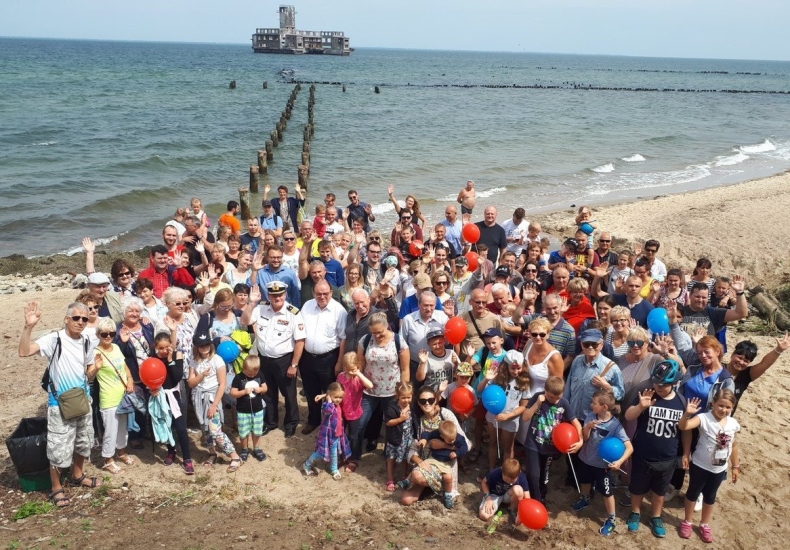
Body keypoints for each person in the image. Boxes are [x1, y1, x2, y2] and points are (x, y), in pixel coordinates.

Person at [19, 301, 103, 508]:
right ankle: (56, 487)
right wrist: (28, 327)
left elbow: (88, 370)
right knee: (58, 448)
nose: (81, 322)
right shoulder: (54, 339)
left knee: (83, 442)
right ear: (67, 319)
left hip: (82, 400)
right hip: (59, 403)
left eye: (84, 318)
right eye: (76, 318)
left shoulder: (86, 341)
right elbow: (24, 352)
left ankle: (77, 475)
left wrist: (94, 370)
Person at [623, 360, 687, 538]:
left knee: (660, 491)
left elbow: (685, 431)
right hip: (643, 453)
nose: (659, 387)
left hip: (667, 457)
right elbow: (628, 415)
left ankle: (656, 516)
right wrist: (640, 406)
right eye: (656, 382)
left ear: (674, 383)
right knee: (637, 488)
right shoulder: (647, 395)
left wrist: (686, 453)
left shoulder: (681, 402)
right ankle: (635, 512)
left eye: (664, 384)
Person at [241, 281, 306, 437]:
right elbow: (244, 321)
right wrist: (251, 303)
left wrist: (294, 365)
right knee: (268, 393)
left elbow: (300, 341)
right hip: (264, 359)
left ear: (285, 295)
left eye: (280, 294)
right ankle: (271, 422)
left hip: (284, 360)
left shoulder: (293, 313)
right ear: (268, 295)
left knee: (289, 394)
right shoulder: (260, 308)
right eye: (273, 295)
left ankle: (291, 423)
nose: (277, 298)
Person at [678, 389, 740, 543]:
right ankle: (687, 521)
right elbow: (684, 427)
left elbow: (734, 445)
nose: (724, 410)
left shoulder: (733, 423)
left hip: (719, 468)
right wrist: (687, 414)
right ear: (713, 403)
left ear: (732, 408)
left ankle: (704, 524)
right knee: (692, 493)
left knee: (710, 497)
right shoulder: (704, 418)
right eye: (721, 406)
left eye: (728, 407)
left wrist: (735, 466)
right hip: (700, 465)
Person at [571, 389, 633, 537]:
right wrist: (587, 427)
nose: (591, 405)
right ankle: (585, 499)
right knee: (585, 481)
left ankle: (611, 519)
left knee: (607, 492)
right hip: (585, 459)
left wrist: (618, 462)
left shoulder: (615, 426)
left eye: (594, 403)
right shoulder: (590, 416)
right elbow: (585, 438)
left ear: (604, 407)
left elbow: (630, 447)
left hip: (602, 466)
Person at [355, 312, 409, 461]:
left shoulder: (399, 342)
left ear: (387, 326)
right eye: (373, 332)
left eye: (380, 332)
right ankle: (355, 455)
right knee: (360, 423)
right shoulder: (365, 341)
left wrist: (403, 392)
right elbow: (360, 364)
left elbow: (405, 369)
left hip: (392, 391)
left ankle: (390, 454)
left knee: (391, 425)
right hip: (369, 391)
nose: (377, 336)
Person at [521, 376, 582, 503]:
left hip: (550, 448)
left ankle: (541, 495)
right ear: (545, 391)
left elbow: (575, 422)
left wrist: (580, 441)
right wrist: (537, 403)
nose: (554, 400)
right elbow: (525, 417)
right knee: (533, 474)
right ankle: (535, 499)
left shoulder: (564, 403)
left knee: (543, 476)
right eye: (550, 397)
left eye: (557, 397)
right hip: (533, 444)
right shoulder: (538, 397)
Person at [188, 331, 241, 471]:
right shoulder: (193, 361)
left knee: (215, 430)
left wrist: (214, 405)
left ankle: (234, 456)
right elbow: (191, 382)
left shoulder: (217, 359)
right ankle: (212, 453)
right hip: (199, 397)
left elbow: (222, 384)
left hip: (212, 397)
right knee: (205, 429)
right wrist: (201, 376)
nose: (205, 348)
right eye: (201, 345)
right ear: (197, 347)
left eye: (207, 344)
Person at [299, 280, 347, 435]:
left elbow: (343, 338)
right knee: (310, 390)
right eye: (318, 293)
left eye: (325, 293)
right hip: (307, 358)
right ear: (313, 293)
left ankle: (331, 423)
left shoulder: (339, 311)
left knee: (330, 392)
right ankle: (313, 420)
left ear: (331, 293)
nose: (322, 297)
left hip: (329, 358)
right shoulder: (307, 306)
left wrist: (339, 361)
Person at [90, 319, 135, 475]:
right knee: (110, 429)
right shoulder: (95, 352)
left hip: (123, 395)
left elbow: (124, 366)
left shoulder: (116, 347)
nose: (108, 336)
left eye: (111, 333)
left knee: (122, 427)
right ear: (98, 335)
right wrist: (96, 369)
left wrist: (130, 380)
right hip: (108, 397)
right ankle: (108, 459)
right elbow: (89, 377)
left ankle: (121, 452)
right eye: (104, 334)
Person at [476, 349, 530, 473]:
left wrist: (508, 416)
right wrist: (486, 378)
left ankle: (506, 473)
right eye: (512, 368)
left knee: (508, 448)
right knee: (493, 443)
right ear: (506, 366)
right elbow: (479, 389)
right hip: (492, 416)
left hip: (510, 419)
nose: (516, 371)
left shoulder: (523, 381)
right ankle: (491, 470)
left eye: (519, 368)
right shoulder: (496, 378)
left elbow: (523, 406)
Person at [399, 419, 469, 509]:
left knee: (448, 478)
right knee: (419, 467)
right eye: (450, 440)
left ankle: (448, 496)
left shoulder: (458, 438)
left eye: (453, 439)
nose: (453, 442)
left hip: (445, 462)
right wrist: (424, 439)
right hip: (433, 458)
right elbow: (427, 433)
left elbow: (465, 447)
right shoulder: (436, 433)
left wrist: (457, 453)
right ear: (442, 436)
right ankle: (407, 481)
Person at [150, 332, 193, 474]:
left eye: (167, 347)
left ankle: (187, 459)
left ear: (171, 345)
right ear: (156, 347)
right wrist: (152, 390)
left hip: (174, 395)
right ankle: (171, 451)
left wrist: (170, 360)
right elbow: (149, 377)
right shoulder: (152, 359)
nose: (163, 351)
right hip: (160, 396)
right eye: (160, 348)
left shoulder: (176, 355)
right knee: (166, 426)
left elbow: (177, 377)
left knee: (181, 428)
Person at [726, 334, 790, 413]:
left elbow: (764, 364)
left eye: (746, 361)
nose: (741, 362)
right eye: (739, 357)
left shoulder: (745, 376)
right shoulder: (717, 368)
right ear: (732, 355)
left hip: (726, 420)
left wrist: (779, 350)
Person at [513, 293, 576, 370]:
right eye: (548, 309)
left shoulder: (569, 330)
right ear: (544, 308)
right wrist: (524, 300)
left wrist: (557, 371)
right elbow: (516, 319)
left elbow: (570, 356)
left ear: (560, 306)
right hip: (530, 368)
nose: (552, 312)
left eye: (555, 308)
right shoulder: (537, 318)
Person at [302, 382, 351, 480]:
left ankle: (334, 469)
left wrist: (328, 395)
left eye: (340, 397)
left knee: (334, 453)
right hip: (327, 435)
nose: (338, 399)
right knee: (320, 452)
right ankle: (307, 464)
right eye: (336, 397)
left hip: (336, 434)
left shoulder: (336, 404)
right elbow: (328, 411)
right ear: (330, 395)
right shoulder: (327, 405)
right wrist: (328, 399)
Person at [335, 351, 374, 474]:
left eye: (352, 368)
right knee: (341, 435)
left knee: (354, 436)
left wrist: (358, 373)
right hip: (341, 411)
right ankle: (344, 456)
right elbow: (336, 391)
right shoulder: (341, 376)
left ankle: (354, 458)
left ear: (357, 366)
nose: (349, 371)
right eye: (346, 368)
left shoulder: (358, 379)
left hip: (355, 413)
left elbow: (370, 385)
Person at [680, 276, 748, 337]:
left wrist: (740, 292)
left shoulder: (713, 313)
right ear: (690, 296)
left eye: (704, 297)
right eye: (697, 296)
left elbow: (741, 313)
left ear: (707, 298)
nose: (700, 300)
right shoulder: (680, 312)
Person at [229, 355, 268, 462]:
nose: (252, 376)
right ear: (243, 368)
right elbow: (232, 393)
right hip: (243, 411)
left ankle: (257, 448)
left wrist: (260, 389)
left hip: (258, 410)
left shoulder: (260, 375)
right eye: (249, 373)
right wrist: (243, 392)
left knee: (257, 431)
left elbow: (265, 388)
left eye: (254, 374)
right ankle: (244, 449)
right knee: (243, 432)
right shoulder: (238, 377)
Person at [478, 458, 530, 525]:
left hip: (508, 494)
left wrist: (521, 515)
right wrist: (488, 498)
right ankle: (494, 504)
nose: (509, 482)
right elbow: (484, 482)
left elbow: (527, 498)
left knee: (518, 490)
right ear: (502, 471)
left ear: (519, 473)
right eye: (507, 480)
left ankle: (512, 509)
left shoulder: (521, 476)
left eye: (512, 481)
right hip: (494, 495)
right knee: (484, 516)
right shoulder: (495, 473)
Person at [384, 382, 414, 491]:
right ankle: (390, 479)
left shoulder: (412, 406)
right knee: (391, 458)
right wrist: (400, 419)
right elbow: (388, 422)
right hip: (394, 437)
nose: (406, 400)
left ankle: (403, 476)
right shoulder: (392, 408)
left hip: (407, 438)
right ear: (397, 396)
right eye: (403, 398)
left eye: (408, 397)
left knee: (405, 458)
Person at [416, 327, 458, 393]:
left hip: (448, 393)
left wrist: (456, 363)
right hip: (432, 393)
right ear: (428, 344)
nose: (438, 346)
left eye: (440, 343)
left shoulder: (451, 353)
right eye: (434, 344)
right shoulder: (426, 356)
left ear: (444, 341)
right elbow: (419, 378)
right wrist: (422, 363)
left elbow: (459, 375)